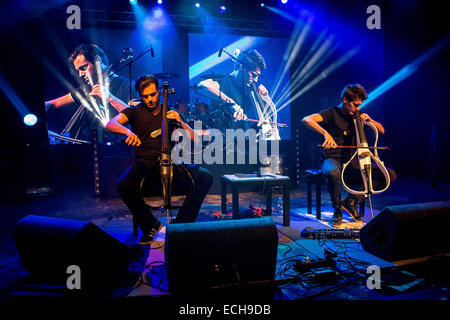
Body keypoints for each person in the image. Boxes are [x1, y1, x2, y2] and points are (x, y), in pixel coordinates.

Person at [106, 74, 213, 245]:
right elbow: (111, 123)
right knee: (123, 184)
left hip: (171, 164)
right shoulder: (134, 111)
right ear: (141, 96)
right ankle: (150, 225)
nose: (150, 99)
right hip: (145, 165)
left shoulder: (170, 113)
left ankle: (182, 224)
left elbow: (195, 139)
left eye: (153, 94)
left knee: (206, 177)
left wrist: (180, 121)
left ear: (159, 92)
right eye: (145, 96)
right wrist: (127, 132)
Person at [302, 84, 397, 226]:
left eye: (359, 105)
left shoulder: (359, 116)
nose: (357, 109)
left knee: (389, 175)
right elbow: (307, 119)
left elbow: (381, 130)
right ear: (345, 99)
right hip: (332, 158)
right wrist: (325, 133)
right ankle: (337, 210)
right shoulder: (331, 113)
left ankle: (351, 200)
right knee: (333, 173)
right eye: (355, 105)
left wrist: (370, 120)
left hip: (354, 163)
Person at [45, 44, 134, 143]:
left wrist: (110, 97)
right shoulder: (86, 90)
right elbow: (53, 103)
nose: (80, 74)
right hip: (92, 149)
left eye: (83, 67)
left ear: (97, 60)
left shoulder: (127, 85)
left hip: (120, 148)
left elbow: (138, 115)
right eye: (78, 70)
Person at [197, 49, 269, 130]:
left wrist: (265, 98)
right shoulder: (223, 80)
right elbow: (202, 86)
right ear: (242, 68)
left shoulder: (250, 90)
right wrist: (230, 103)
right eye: (253, 74)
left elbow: (268, 117)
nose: (256, 80)